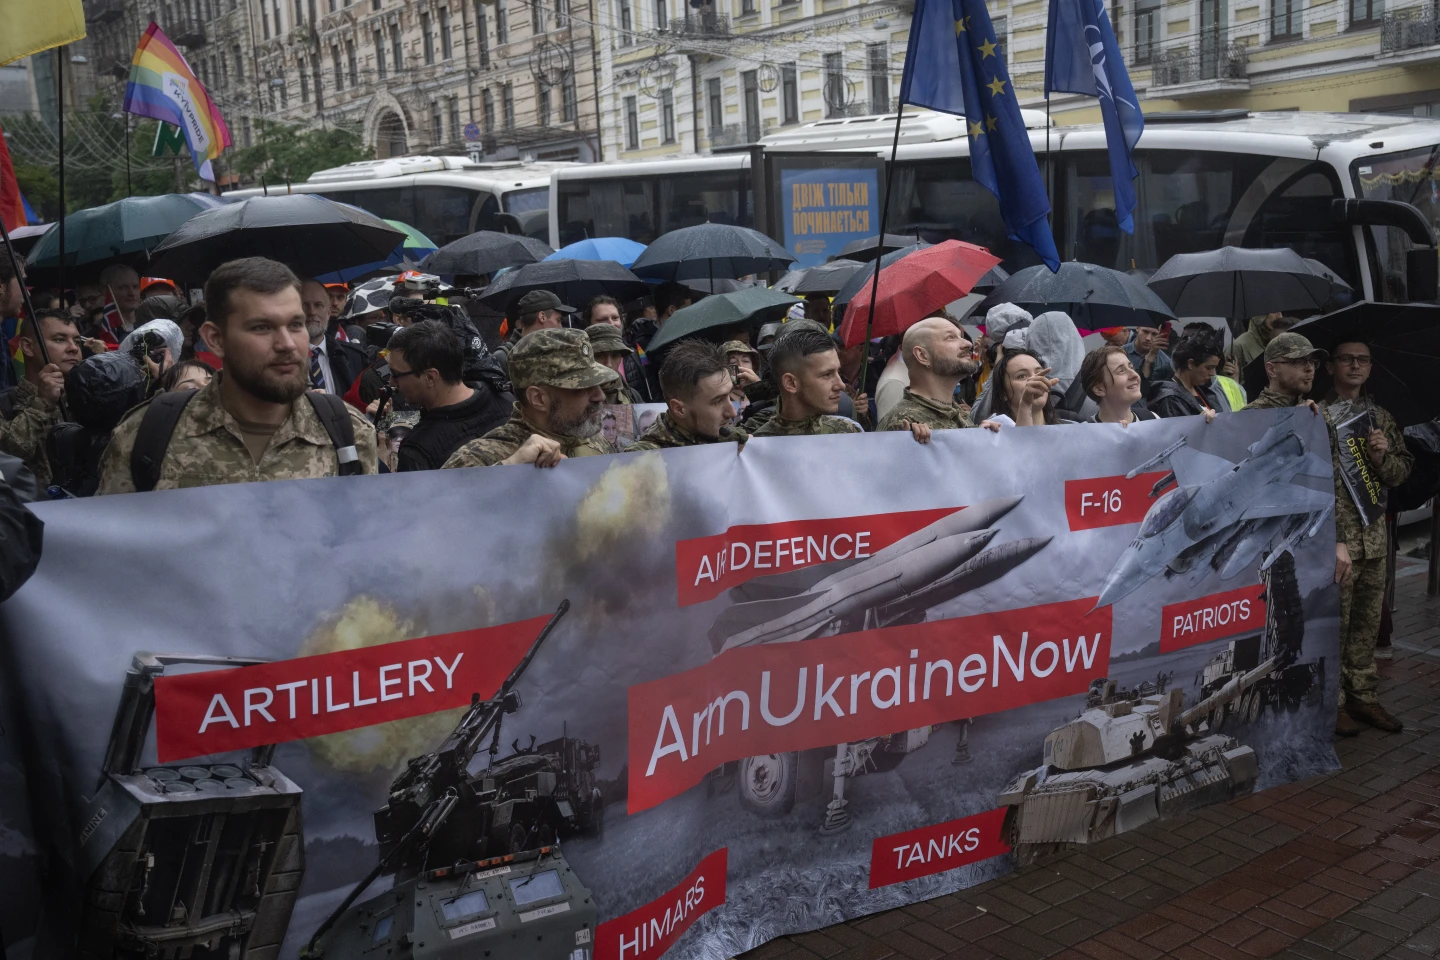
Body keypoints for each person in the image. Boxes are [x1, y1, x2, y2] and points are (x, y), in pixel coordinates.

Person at [97, 257, 378, 494]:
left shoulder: (348, 433)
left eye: (296, 324)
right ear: (216, 339)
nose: (288, 344)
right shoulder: (146, 437)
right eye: (261, 328)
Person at [1322, 340, 1412, 736]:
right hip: (1336, 542)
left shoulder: (1381, 418)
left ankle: (1364, 696)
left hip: (1374, 540)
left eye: (1362, 360)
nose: (1355, 366)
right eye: (1346, 359)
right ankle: (1333, 702)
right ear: (1330, 367)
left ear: (1371, 368)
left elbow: (1400, 474)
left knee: (1366, 626)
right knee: (1334, 628)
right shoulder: (1318, 416)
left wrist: (1381, 457)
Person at [443, 328, 619, 468]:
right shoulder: (480, 457)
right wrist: (509, 468)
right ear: (539, 399)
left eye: (598, 385)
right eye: (583, 387)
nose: (600, 396)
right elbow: (439, 509)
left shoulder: (597, 443)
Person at [385, 319, 513, 471]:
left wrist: (383, 464)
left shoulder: (418, 450)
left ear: (430, 377)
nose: (391, 382)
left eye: (395, 374)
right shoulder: (509, 402)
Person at [0, 309, 85, 487]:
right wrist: (42, 402)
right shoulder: (4, 404)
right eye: (60, 340)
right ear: (28, 347)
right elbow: (8, 456)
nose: (74, 348)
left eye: (77, 341)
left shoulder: (85, 399)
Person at [877, 316, 989, 441]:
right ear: (922, 355)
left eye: (960, 336)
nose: (968, 343)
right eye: (950, 337)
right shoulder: (903, 423)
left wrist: (984, 438)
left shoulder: (959, 414)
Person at [629, 340, 746, 450]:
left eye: (728, 396)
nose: (732, 412)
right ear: (679, 409)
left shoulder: (728, 436)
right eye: (717, 401)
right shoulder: (642, 460)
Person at [752, 325, 861, 437]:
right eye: (827, 375)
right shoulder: (758, 446)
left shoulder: (847, 432)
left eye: (838, 372)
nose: (841, 385)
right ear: (791, 383)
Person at [300, 279, 368, 394]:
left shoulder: (355, 357)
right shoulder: (280, 360)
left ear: (328, 312)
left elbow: (363, 404)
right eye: (304, 305)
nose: (312, 312)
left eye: (318, 305)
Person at [495, 290, 574, 375]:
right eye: (558, 320)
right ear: (542, 317)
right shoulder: (504, 357)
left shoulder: (554, 351)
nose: (560, 327)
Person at [1148, 334, 1224, 419]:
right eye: (1208, 368)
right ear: (1190, 364)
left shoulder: (1203, 391)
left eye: (1214, 368)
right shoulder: (1170, 399)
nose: (1212, 373)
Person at [1078, 346, 1158, 426]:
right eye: (1121, 371)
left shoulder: (1153, 419)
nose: (1134, 375)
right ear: (1099, 389)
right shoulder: (1085, 434)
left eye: (1131, 367)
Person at [990, 347, 1059, 426]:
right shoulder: (992, 433)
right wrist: (1026, 404)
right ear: (1003, 393)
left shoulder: (1069, 426)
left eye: (1039, 372)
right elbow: (1024, 437)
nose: (1035, 379)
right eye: (1021, 376)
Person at [585, 323, 643, 403]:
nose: (608, 364)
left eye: (615, 356)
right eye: (599, 356)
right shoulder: (574, 398)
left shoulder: (632, 396)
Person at [1231, 312, 1296, 373]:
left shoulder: (1285, 340)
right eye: (1274, 311)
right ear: (1260, 316)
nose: (1279, 316)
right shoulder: (1239, 346)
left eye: (1280, 311)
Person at [1125, 322, 1174, 394]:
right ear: (1138, 328)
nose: (1148, 338)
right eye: (1145, 332)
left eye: (1154, 334)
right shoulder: (1120, 353)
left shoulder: (1165, 363)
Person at [99, 263, 143, 334]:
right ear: (106, 291)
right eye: (122, 288)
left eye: (135, 287)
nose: (131, 293)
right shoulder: (103, 331)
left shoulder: (152, 322)